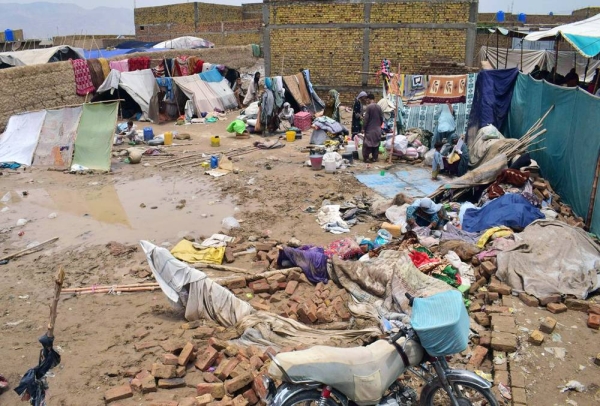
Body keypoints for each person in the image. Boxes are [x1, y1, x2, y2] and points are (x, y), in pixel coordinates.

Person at [362, 93, 384, 163]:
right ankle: (375, 158)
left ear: (368, 99)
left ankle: (366, 158)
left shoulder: (369, 107)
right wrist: (378, 126)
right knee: (376, 144)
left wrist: (363, 128)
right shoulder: (379, 107)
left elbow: (366, 119)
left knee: (367, 144)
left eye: (367, 100)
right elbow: (381, 119)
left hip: (370, 130)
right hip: (377, 129)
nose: (367, 101)